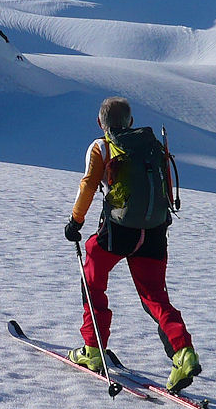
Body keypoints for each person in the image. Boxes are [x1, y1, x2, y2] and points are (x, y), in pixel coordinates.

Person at [63, 96, 201, 393]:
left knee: (92, 279)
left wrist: (75, 222)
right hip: (154, 231)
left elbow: (88, 185)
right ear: (130, 122)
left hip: (118, 232)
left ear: (100, 123)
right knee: (155, 297)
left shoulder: (101, 146)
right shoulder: (151, 146)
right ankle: (183, 354)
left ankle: (93, 350)